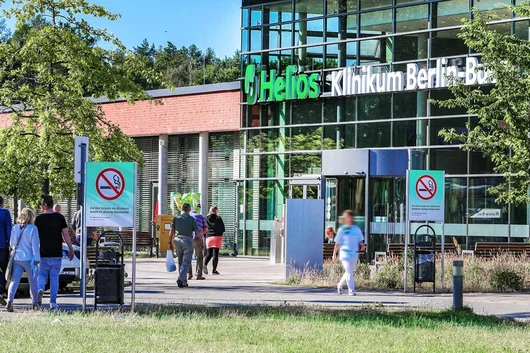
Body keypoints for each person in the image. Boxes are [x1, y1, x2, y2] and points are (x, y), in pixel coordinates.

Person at [35, 195, 74, 309]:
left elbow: (35, 238)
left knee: (41, 274)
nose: (41, 207)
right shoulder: (60, 218)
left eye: (41, 205)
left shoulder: (39, 219)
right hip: (57, 252)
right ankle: (53, 302)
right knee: (54, 278)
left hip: (43, 252)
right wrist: (70, 249)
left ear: (45, 205)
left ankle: (41, 289)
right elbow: (66, 234)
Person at [6, 208, 40, 312]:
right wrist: (37, 258)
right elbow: (35, 245)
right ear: (31, 216)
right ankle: (35, 304)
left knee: (14, 281)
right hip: (30, 259)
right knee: (33, 281)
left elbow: (12, 243)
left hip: (17, 258)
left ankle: (9, 301)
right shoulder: (33, 228)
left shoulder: (15, 227)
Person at [169, 203, 203, 288]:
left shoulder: (176, 218)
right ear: (189, 209)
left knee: (180, 261)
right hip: (187, 240)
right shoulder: (191, 219)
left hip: (177, 240)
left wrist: (170, 242)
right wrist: (201, 243)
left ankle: (184, 281)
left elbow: (171, 231)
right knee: (187, 261)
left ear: (181, 209)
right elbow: (197, 232)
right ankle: (181, 278)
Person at [333, 210, 366, 296]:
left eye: (351, 217)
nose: (349, 219)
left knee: (349, 271)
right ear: (345, 219)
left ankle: (339, 285)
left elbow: (360, 240)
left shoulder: (356, 229)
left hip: (353, 253)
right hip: (344, 254)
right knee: (349, 271)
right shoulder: (341, 230)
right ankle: (351, 290)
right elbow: (337, 243)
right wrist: (334, 254)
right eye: (348, 217)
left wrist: (362, 245)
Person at [188, 204, 208, 280]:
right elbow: (206, 229)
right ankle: (198, 275)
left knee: (188, 256)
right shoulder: (201, 217)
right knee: (199, 257)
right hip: (198, 238)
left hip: (189, 238)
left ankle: (189, 274)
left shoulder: (188, 217)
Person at [204, 206, 225, 275]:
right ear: (216, 211)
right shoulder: (218, 218)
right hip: (217, 236)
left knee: (209, 253)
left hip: (209, 237)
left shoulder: (206, 218)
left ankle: (204, 265)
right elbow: (223, 228)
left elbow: (204, 227)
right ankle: (214, 270)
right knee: (215, 254)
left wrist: (205, 235)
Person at [0, 196, 12, 305]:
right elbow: (9, 229)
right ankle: (0, 290)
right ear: (2, 203)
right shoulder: (5, 213)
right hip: (2, 245)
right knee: (4, 269)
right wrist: (11, 245)